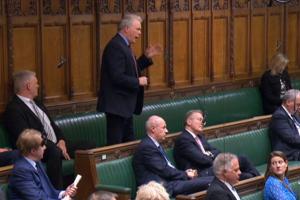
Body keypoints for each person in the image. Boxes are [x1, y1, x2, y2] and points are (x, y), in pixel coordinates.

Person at [3, 70, 95, 189]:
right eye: (36, 83)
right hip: (36, 148)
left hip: (55, 145)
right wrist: (54, 146)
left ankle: (84, 189)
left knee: (89, 145)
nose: (38, 86)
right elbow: (26, 137)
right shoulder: (14, 109)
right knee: (54, 151)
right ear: (28, 86)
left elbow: (52, 126)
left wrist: (61, 140)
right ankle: (57, 192)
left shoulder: (37, 103)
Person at [97, 13, 162, 145]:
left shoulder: (124, 45)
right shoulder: (115, 46)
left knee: (128, 145)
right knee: (116, 147)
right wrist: (138, 81)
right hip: (116, 107)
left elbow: (130, 69)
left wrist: (145, 57)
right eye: (137, 29)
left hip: (125, 106)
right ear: (126, 28)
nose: (140, 33)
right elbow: (116, 77)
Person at [132, 115, 213, 197]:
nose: (167, 131)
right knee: (212, 181)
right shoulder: (147, 147)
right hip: (161, 189)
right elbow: (164, 170)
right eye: (163, 128)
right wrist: (185, 174)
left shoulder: (153, 144)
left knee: (213, 179)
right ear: (153, 129)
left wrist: (185, 174)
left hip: (172, 182)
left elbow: (167, 168)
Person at [174, 110, 260, 180]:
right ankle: (252, 180)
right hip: (200, 173)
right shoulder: (183, 139)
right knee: (243, 174)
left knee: (243, 159)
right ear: (189, 121)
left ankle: (259, 180)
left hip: (211, 167)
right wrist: (211, 156)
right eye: (200, 120)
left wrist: (209, 154)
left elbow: (217, 151)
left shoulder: (200, 136)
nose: (202, 123)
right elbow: (202, 160)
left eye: (203, 121)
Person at [8, 129, 77, 200]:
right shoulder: (21, 171)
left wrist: (64, 193)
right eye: (42, 145)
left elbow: (50, 192)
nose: (45, 147)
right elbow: (37, 198)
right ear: (33, 151)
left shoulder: (36, 162)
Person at [269, 89, 300, 161]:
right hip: (289, 154)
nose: (299, 107)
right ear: (288, 102)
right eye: (298, 104)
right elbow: (292, 139)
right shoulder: (279, 116)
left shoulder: (294, 114)